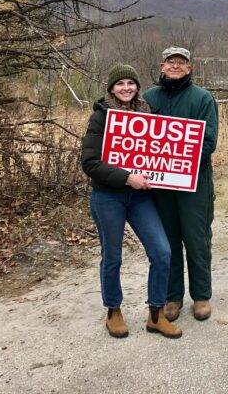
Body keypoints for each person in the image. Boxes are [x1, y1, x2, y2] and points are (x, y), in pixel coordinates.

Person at [81, 63, 182, 339]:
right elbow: (89, 163)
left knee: (162, 252)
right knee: (112, 256)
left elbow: (161, 154)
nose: (126, 88)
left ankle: (156, 314)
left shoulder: (148, 114)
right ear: (112, 88)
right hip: (107, 197)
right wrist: (127, 178)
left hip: (140, 198)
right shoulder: (101, 118)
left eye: (131, 83)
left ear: (137, 87)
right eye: (120, 84)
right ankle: (113, 310)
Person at [144, 47, 219, 323]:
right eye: (171, 61)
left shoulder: (202, 98)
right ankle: (172, 297)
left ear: (189, 68)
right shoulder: (149, 98)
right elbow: (129, 129)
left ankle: (201, 296)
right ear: (162, 66)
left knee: (197, 239)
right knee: (168, 241)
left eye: (181, 62)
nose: (176, 66)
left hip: (195, 182)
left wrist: (179, 162)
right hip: (160, 185)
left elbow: (208, 141)